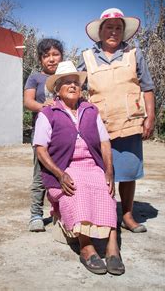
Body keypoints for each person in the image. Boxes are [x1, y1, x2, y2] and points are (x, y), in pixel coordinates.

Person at [34, 61, 125, 275]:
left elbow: (104, 142)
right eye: (67, 82)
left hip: (92, 165)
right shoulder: (49, 113)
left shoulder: (91, 110)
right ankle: (86, 247)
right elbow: (40, 149)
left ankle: (113, 246)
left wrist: (109, 171)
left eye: (76, 82)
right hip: (64, 169)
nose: (73, 85)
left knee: (105, 187)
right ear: (57, 88)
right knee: (77, 187)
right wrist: (60, 174)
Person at [78, 8, 155, 233]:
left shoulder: (134, 54)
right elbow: (74, 84)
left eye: (118, 28)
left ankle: (127, 216)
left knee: (128, 172)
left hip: (130, 123)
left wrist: (150, 117)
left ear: (124, 32)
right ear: (100, 32)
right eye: (109, 28)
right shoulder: (87, 57)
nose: (114, 32)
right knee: (101, 172)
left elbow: (148, 88)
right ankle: (106, 214)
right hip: (99, 126)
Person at [24, 38, 64, 232]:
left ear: (62, 57)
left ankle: (62, 211)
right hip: (41, 136)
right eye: (46, 55)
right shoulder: (35, 78)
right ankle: (36, 215)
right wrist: (44, 107)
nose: (51, 59)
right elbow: (28, 102)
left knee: (65, 173)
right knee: (40, 175)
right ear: (40, 59)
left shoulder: (66, 76)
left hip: (64, 136)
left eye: (55, 54)